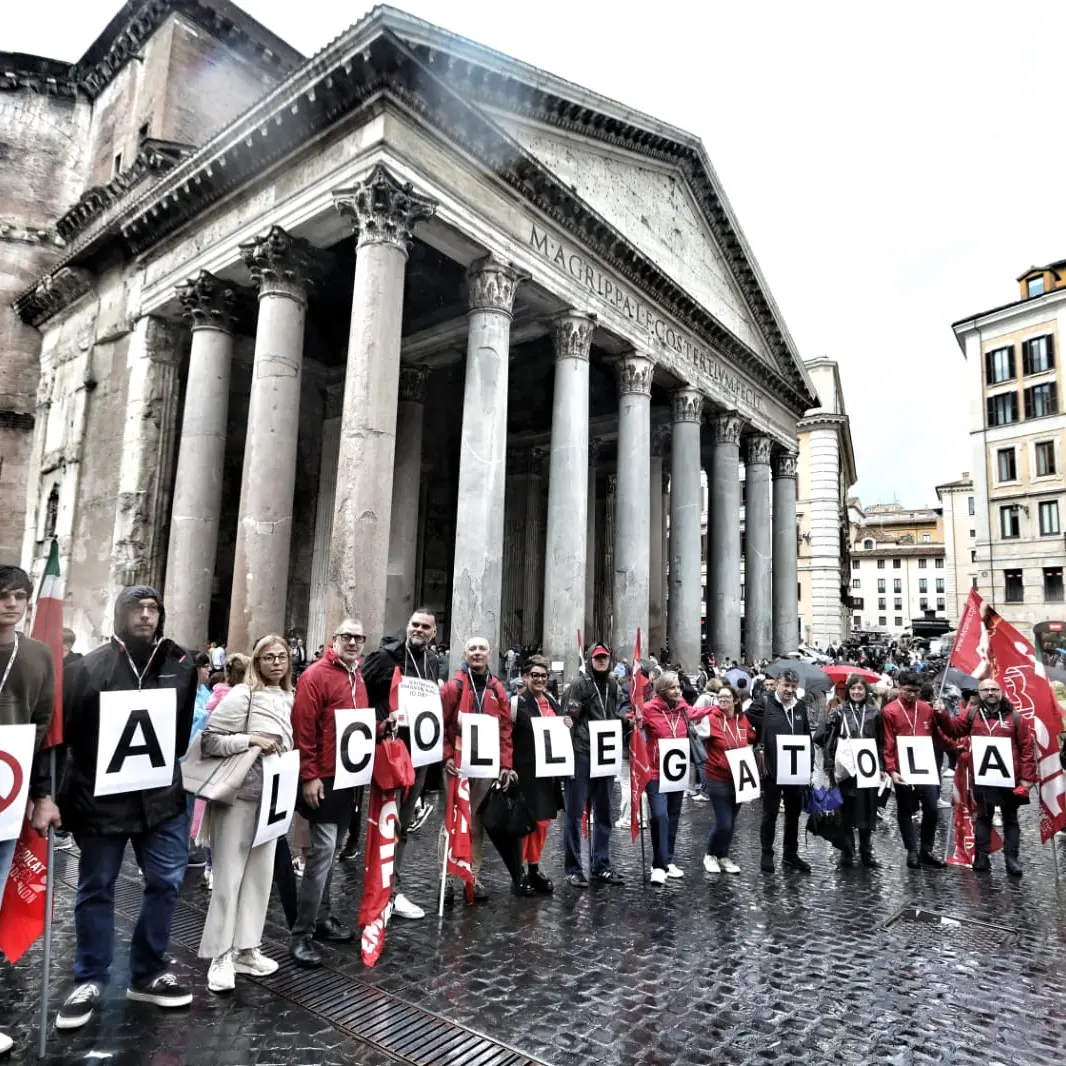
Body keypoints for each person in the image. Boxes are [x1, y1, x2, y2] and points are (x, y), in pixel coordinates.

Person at [55, 586, 196, 1030]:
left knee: (168, 881)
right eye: (137, 608)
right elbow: (69, 738)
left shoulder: (180, 664)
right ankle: (91, 976)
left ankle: (148, 971)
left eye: (154, 609)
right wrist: (61, 798)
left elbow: (177, 734)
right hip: (102, 800)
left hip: (160, 799)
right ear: (120, 614)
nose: (146, 616)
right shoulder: (89, 668)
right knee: (97, 885)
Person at [197, 634, 293, 991]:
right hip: (238, 797)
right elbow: (209, 740)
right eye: (268, 657)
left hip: (272, 799)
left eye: (282, 657)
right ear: (256, 661)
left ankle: (246, 948)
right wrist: (249, 741)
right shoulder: (242, 695)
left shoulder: (287, 697)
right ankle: (220, 956)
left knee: (258, 878)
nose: (276, 663)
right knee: (228, 878)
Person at [0, 565, 59, 1058]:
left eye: (19, 596)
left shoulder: (38, 654)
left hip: (7, 797)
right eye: (3, 596)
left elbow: (44, 730)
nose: (11, 604)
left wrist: (43, 794)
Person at [288, 619, 369, 967]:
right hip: (323, 776)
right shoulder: (315, 676)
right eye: (346, 637)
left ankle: (322, 917)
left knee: (333, 851)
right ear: (333, 640)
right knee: (320, 856)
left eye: (358, 638)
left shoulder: (356, 675)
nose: (352, 642)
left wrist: (380, 728)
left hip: (347, 776)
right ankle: (301, 934)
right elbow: (303, 727)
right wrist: (309, 776)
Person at [361, 607, 441, 920]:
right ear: (407, 626)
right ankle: (378, 892)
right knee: (384, 821)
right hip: (390, 751)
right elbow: (359, 697)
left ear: (434, 633)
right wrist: (381, 722)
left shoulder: (433, 662)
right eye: (414, 624)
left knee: (403, 824)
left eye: (425, 627)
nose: (418, 629)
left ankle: (393, 890)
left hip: (419, 753)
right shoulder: (385, 657)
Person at [440, 636, 516, 902]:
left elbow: (506, 728)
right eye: (472, 648)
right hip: (457, 763)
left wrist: (506, 764)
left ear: (489, 652)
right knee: (453, 819)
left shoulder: (497, 688)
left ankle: (472, 874)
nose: (477, 653)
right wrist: (447, 755)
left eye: (482, 648)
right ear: (465, 652)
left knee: (475, 821)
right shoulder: (454, 687)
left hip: (485, 763)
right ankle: (446, 879)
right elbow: (444, 724)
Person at [939, 678, 1037, 876]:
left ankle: (1012, 859)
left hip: (1011, 778)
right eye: (986, 690)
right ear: (980, 693)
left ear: (1001, 692)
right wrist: (941, 714)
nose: (990, 693)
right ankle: (981, 857)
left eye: (994, 689)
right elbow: (954, 729)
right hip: (983, 776)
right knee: (983, 817)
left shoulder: (1015, 717)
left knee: (1011, 819)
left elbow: (1027, 748)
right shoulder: (972, 713)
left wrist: (1027, 780)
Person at [563, 641, 625, 887]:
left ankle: (601, 865)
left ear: (610, 660)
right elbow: (569, 717)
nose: (601, 661)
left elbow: (608, 715)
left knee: (603, 812)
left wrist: (626, 722)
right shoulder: (579, 685)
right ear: (590, 659)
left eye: (605, 658)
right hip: (582, 752)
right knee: (576, 813)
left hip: (605, 752)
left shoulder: (612, 684)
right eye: (597, 658)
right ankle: (574, 868)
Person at [641, 671, 712, 884]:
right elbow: (630, 718)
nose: (677, 691)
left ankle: (667, 860)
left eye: (679, 687)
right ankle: (658, 865)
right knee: (660, 816)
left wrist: (719, 708)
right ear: (662, 690)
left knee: (673, 816)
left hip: (676, 772)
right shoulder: (648, 709)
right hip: (655, 773)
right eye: (673, 688)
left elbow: (697, 712)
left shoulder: (682, 710)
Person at [881, 670, 949, 869]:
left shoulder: (927, 709)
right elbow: (888, 743)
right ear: (899, 688)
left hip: (925, 767)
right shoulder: (890, 711)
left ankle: (926, 850)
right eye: (908, 690)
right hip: (903, 769)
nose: (912, 695)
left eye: (916, 691)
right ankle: (911, 850)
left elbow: (938, 736)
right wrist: (892, 770)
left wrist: (954, 747)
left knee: (932, 809)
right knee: (905, 810)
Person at [510, 656, 566, 895]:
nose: (540, 680)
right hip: (524, 769)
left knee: (542, 822)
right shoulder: (516, 702)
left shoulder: (552, 701)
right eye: (535, 675)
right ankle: (518, 872)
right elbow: (507, 735)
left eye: (544, 676)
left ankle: (534, 867)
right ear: (525, 677)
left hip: (548, 770)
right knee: (525, 822)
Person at [747, 669, 812, 874]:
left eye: (793, 686)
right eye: (786, 685)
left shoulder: (800, 707)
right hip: (772, 768)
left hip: (795, 769)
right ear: (777, 684)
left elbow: (806, 735)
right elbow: (744, 723)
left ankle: (790, 854)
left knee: (793, 814)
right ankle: (767, 853)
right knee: (770, 814)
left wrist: (808, 767)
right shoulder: (764, 703)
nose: (789, 690)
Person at [816, 675, 882, 868]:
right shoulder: (839, 712)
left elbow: (881, 740)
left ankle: (865, 851)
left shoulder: (874, 713)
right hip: (843, 768)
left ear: (866, 691)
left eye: (860, 689)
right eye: (853, 689)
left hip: (866, 767)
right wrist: (829, 761)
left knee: (866, 810)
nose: (856, 692)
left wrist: (882, 767)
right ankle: (846, 851)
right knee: (843, 811)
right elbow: (825, 738)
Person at [701, 684, 755, 874]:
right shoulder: (710, 719)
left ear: (735, 700)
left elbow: (751, 736)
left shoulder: (742, 719)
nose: (722, 699)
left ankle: (723, 855)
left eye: (726, 697)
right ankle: (710, 855)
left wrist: (747, 747)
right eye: (719, 697)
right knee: (724, 821)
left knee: (732, 820)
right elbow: (694, 733)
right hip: (717, 776)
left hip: (739, 777)